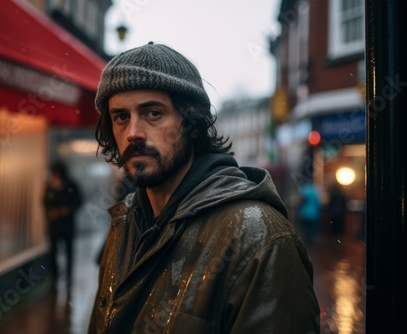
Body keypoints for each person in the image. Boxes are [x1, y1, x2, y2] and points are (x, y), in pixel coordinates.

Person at [89, 42, 320, 333]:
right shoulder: (123, 222)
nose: (133, 132)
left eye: (153, 113)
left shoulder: (260, 239)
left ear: (193, 124)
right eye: (121, 117)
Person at [43, 161, 83, 291]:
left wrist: (66, 210)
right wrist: (51, 212)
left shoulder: (70, 185)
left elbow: (78, 201)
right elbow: (44, 202)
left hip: (67, 225)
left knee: (68, 252)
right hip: (54, 226)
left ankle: (68, 278)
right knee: (53, 253)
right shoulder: (49, 185)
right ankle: (54, 280)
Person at [298, 181, 321, 247]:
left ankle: (306, 242)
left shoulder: (305, 189)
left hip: (305, 213)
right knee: (312, 230)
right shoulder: (316, 190)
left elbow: (301, 201)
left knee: (305, 229)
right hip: (315, 214)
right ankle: (311, 242)